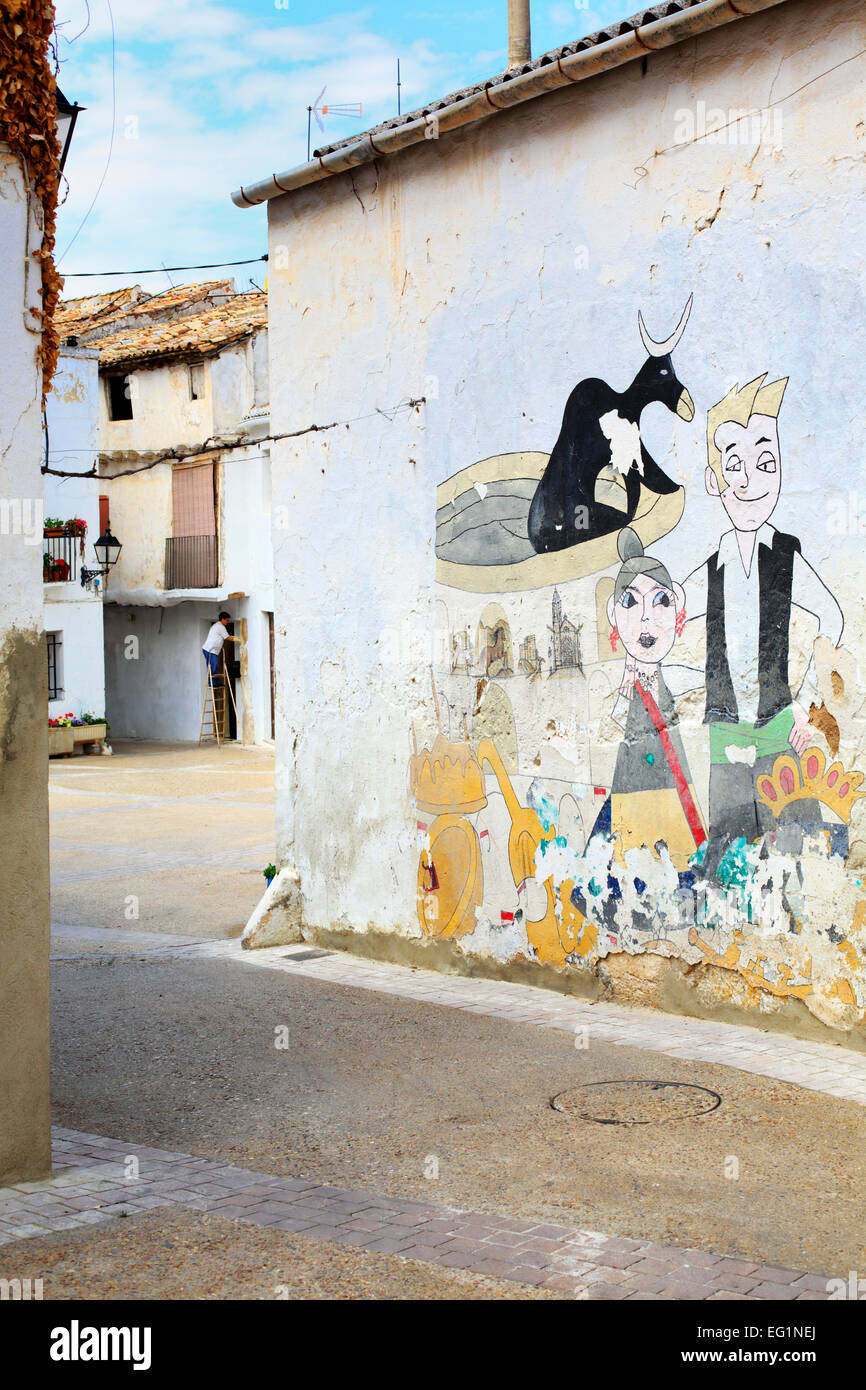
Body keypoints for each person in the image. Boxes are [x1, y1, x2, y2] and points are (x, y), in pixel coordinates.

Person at [683, 375, 844, 864]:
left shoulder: (787, 556)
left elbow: (832, 621)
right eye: (734, 465)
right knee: (728, 863)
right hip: (726, 741)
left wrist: (809, 707)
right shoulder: (709, 570)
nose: (750, 479)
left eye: (765, 461)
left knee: (795, 856)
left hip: (780, 733)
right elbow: (669, 627)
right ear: (715, 480)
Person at [603, 527, 706, 875]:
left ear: (678, 603)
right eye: (631, 602)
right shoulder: (623, 691)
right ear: (613, 614)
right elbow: (616, 717)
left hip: (676, 797)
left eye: (660, 600)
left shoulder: (678, 679)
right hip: (633, 793)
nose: (646, 617)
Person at [202, 612, 240, 686]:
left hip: (212, 650)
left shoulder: (217, 625)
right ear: (222, 619)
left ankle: (215, 682)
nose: (227, 622)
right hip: (210, 650)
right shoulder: (220, 627)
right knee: (213, 666)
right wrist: (239, 639)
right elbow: (227, 637)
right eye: (227, 620)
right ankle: (213, 683)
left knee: (214, 666)